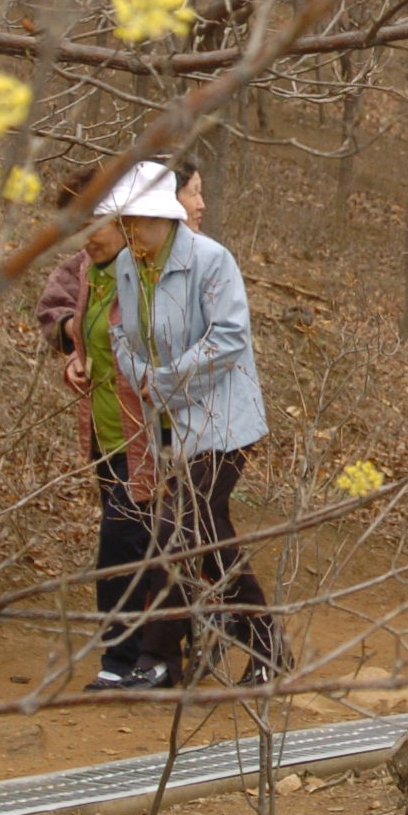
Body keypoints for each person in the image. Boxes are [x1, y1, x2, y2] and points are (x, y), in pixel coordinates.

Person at [100, 160, 287, 684]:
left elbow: (228, 339)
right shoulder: (127, 267)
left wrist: (162, 382)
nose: (134, 231)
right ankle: (266, 646)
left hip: (225, 424)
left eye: (143, 220)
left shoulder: (212, 261)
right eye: (127, 221)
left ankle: (158, 660)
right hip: (173, 427)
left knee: (178, 534)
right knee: (203, 535)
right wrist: (143, 375)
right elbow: (122, 335)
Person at [36, 165, 164, 690]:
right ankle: (154, 653)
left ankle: (124, 661)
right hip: (106, 434)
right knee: (136, 541)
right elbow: (57, 316)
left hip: (156, 435)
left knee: (125, 540)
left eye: (98, 221)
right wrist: (75, 350)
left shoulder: (157, 270)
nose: (87, 235)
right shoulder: (86, 270)